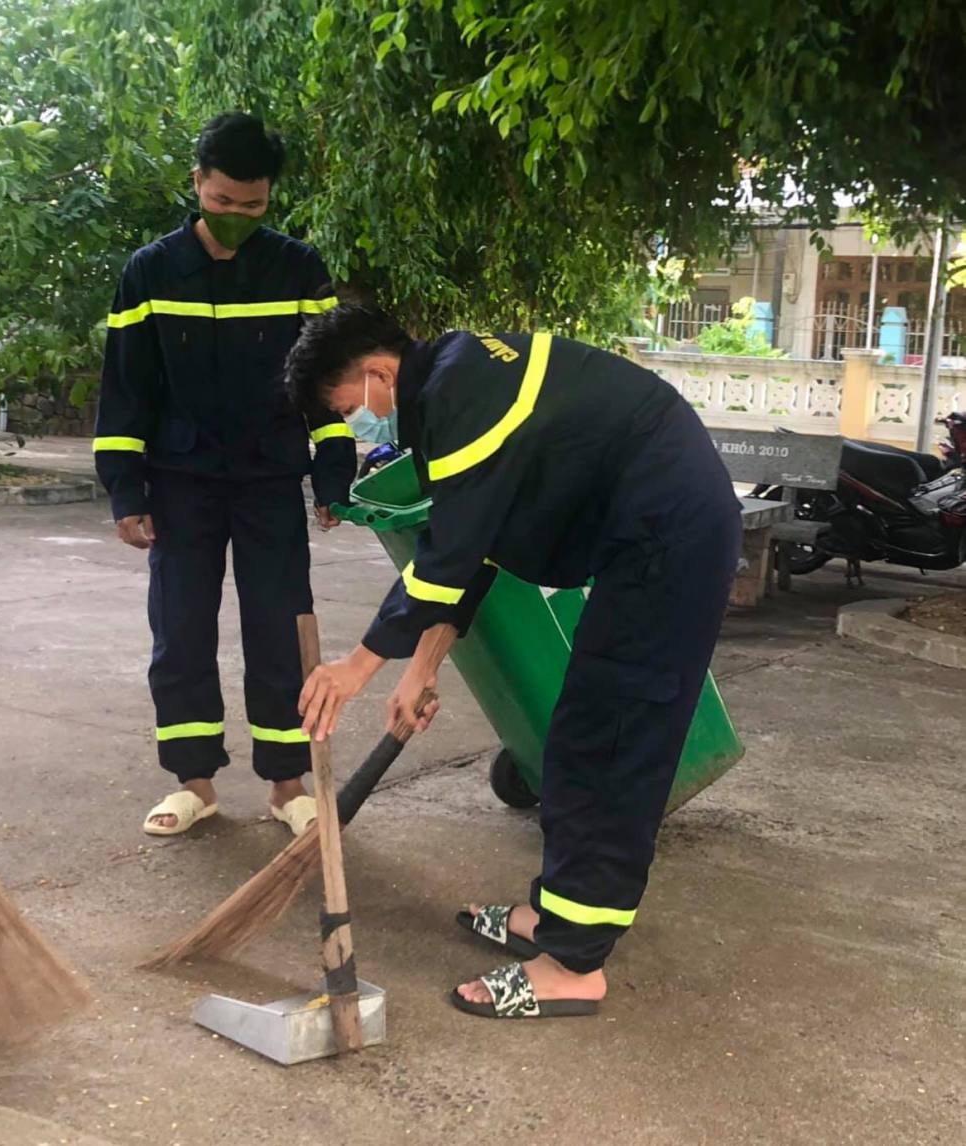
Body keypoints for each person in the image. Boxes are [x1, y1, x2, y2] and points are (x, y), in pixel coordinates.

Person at [287, 305, 740, 1019]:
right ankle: (554, 919)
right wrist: (423, 666)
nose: (358, 427)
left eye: (349, 412)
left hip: (668, 542)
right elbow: (476, 549)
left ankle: (573, 966)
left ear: (378, 375)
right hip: (649, 538)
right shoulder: (458, 386)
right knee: (577, 735)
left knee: (611, 744)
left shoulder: (459, 396)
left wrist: (358, 666)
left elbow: (444, 565)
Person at [94, 112, 358, 838]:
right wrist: (126, 487)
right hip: (180, 480)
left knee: (280, 625)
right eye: (222, 202)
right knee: (179, 629)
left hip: (270, 475)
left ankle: (286, 785)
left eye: (253, 206)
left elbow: (326, 385)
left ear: (269, 197)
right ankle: (195, 783)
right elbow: (126, 391)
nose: (237, 218)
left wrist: (333, 477)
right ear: (197, 184)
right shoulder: (149, 272)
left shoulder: (298, 269)